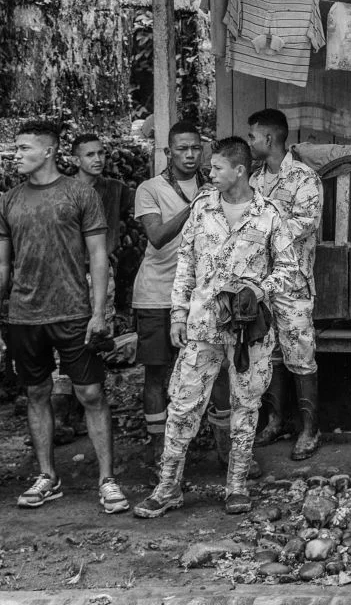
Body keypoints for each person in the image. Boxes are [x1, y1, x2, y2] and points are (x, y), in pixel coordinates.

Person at [134, 137, 294, 518]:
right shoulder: (202, 208)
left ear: (239, 171)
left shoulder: (268, 214)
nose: (209, 172)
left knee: (246, 405)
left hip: (248, 330)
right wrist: (177, 315)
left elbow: (290, 270)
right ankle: (168, 486)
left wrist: (259, 289)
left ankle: (236, 486)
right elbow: (185, 265)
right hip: (202, 326)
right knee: (184, 405)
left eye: (217, 167)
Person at [0, 120, 127, 513]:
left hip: (74, 311)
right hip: (25, 315)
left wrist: (98, 312)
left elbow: (98, 255)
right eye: (15, 149)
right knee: (36, 393)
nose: (16, 155)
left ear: (47, 151)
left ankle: (107, 479)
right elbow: (0, 262)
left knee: (91, 394)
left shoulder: (79, 193)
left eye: (23, 148)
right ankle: (47, 475)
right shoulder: (9, 200)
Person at [246, 108, 326, 460]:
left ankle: (311, 430)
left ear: (269, 138)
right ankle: (275, 421)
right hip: (260, 284)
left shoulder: (305, 178)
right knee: (269, 354)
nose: (250, 142)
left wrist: (262, 226)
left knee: (301, 356)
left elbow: (303, 225)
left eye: (252, 136)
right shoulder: (253, 180)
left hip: (293, 284)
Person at [132, 121, 208, 471]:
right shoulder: (151, 188)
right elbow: (157, 236)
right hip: (157, 294)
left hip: (202, 296)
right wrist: (196, 206)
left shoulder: (214, 183)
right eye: (182, 149)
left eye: (196, 148)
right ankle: (159, 453)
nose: (190, 155)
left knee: (212, 368)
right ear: (169, 152)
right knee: (157, 372)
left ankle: (219, 449)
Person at [72, 134, 135, 314]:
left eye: (101, 153)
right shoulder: (62, 190)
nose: (98, 159)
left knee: (101, 329)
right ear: (76, 160)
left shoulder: (115, 188)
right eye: (90, 155)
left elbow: (140, 203)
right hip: (68, 273)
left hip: (100, 272)